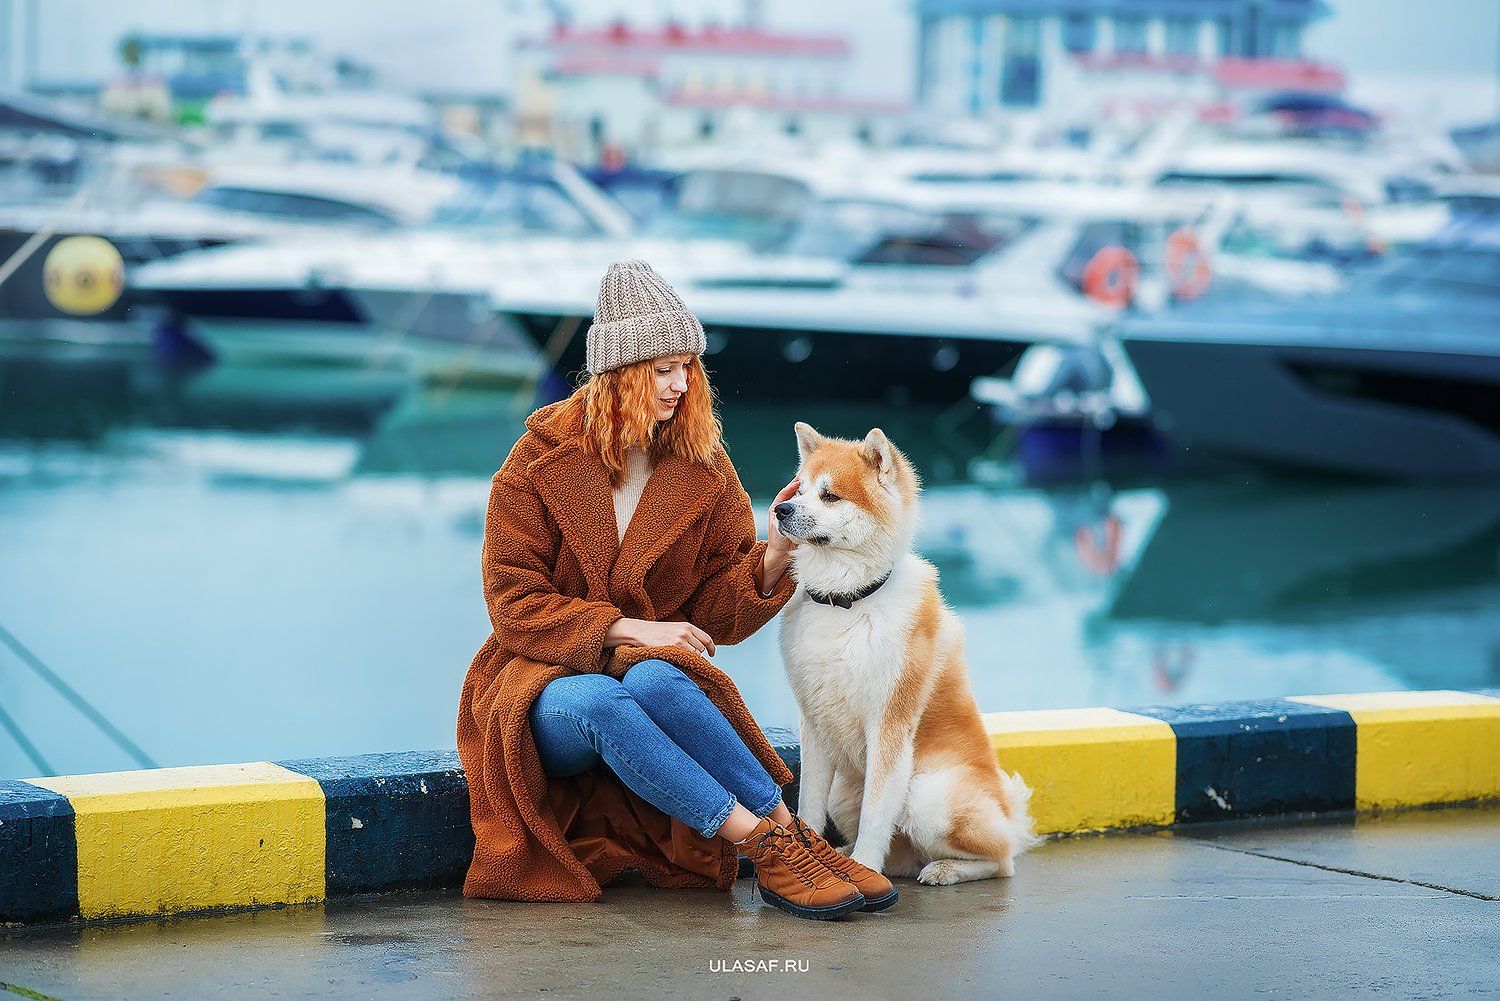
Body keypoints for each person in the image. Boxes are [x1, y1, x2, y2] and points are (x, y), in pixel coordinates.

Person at [456, 259, 897, 920]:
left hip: (643, 676)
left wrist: (774, 555)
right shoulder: (534, 464)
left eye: (688, 366)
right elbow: (513, 606)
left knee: (662, 682)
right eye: (662, 369)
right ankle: (762, 847)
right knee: (605, 697)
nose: (681, 383)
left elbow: (716, 609)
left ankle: (790, 834)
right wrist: (630, 628)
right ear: (619, 374)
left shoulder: (703, 464)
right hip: (537, 683)